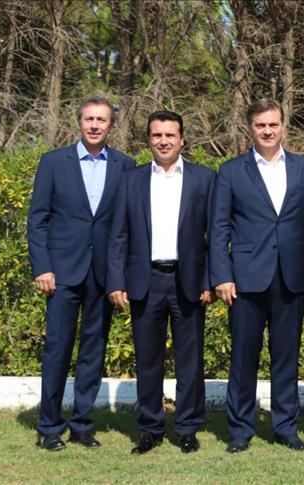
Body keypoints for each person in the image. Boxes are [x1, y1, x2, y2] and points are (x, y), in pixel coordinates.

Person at [27, 96, 136, 451]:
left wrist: (121, 276)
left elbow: (128, 226)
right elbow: (37, 219)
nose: (94, 125)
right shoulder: (53, 162)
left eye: (101, 120)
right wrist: (42, 266)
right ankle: (49, 427)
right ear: (79, 122)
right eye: (89, 118)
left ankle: (82, 425)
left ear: (111, 125)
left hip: (103, 275)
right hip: (61, 273)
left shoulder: (125, 166)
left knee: (94, 350)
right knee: (57, 349)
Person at [209, 98, 304, 453]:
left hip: (291, 278)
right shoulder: (231, 171)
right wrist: (222, 276)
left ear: (283, 126)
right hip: (245, 279)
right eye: (260, 125)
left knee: (286, 357)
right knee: (244, 358)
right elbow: (219, 228)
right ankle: (240, 429)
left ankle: (285, 428)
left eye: (273, 124)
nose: (267, 131)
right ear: (250, 128)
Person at [106, 110, 215, 454]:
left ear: (182, 139)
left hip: (189, 281)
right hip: (145, 280)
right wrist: (116, 281)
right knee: (148, 359)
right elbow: (119, 235)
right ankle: (150, 428)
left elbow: (214, 235)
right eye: (157, 135)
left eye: (170, 135)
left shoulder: (204, 179)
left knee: (190, 360)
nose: (163, 141)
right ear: (148, 140)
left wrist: (210, 280)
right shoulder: (131, 180)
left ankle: (187, 428)